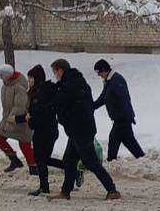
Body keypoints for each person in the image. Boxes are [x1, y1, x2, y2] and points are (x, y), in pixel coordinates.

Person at [49, 58, 120, 201]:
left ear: (60, 70)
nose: (55, 75)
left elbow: (63, 105)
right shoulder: (74, 82)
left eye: (55, 72)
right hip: (78, 129)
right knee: (69, 160)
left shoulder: (71, 85)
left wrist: (62, 116)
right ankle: (65, 192)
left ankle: (112, 190)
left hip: (81, 129)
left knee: (91, 162)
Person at [93, 58, 144, 161]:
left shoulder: (117, 80)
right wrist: (91, 107)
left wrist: (125, 117)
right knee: (129, 141)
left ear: (104, 69)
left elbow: (124, 99)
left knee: (113, 140)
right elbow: (103, 97)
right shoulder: (109, 81)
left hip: (122, 119)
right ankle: (142, 159)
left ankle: (111, 161)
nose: (98, 75)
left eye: (98, 72)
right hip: (120, 119)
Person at [25, 65, 60, 196]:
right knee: (43, 159)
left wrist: (30, 120)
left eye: (31, 78)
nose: (29, 81)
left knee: (41, 159)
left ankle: (44, 187)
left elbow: (41, 114)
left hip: (45, 131)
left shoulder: (42, 92)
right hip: (46, 130)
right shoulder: (37, 92)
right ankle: (44, 186)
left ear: (36, 78)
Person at [0, 68, 34, 175]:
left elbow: (19, 107)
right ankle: (15, 160)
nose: (0, 77)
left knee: (24, 144)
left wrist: (11, 122)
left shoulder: (19, 87)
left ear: (8, 75)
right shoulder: (5, 86)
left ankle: (34, 167)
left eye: (2, 75)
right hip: (7, 119)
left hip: (20, 121)